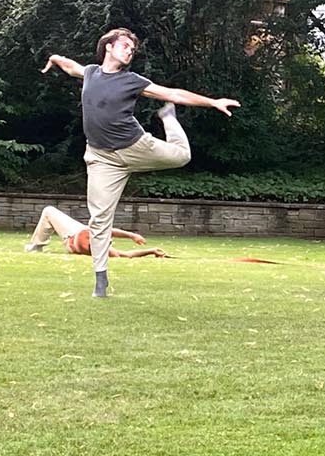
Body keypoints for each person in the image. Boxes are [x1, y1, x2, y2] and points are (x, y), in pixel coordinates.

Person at [42, 27, 239, 297]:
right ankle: (100, 280)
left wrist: (212, 102)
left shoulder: (132, 80)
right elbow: (71, 67)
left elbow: (174, 94)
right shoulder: (90, 73)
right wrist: (55, 58)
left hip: (136, 147)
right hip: (102, 159)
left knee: (183, 156)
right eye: (125, 45)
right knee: (99, 220)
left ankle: (168, 119)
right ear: (108, 47)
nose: (130, 51)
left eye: (132, 49)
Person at [25, 204, 168, 259]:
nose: (110, 241)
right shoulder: (97, 242)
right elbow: (126, 253)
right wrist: (150, 250)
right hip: (75, 232)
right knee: (49, 211)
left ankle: (36, 246)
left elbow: (123, 252)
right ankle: (36, 245)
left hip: (71, 236)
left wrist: (134, 237)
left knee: (49, 211)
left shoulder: (93, 242)